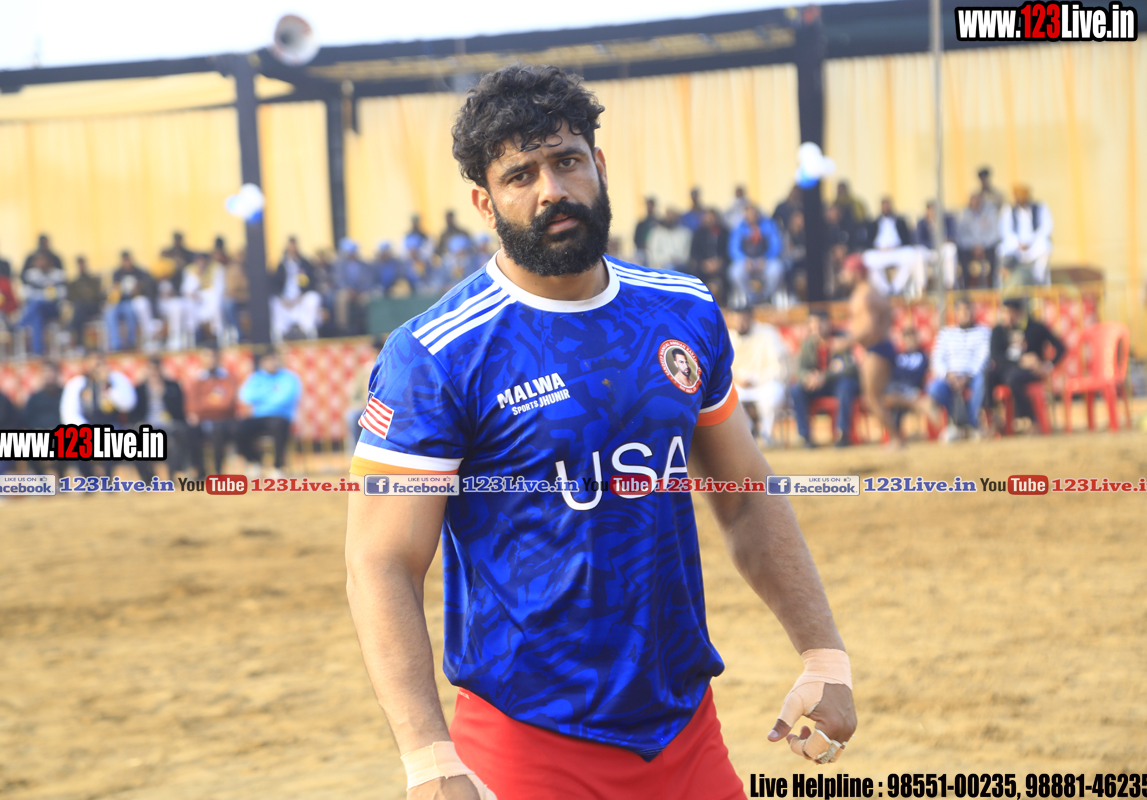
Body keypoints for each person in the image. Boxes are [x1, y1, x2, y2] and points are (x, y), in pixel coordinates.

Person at [346, 63, 855, 800]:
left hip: (685, 732)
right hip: (527, 746)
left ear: (600, 166)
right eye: (520, 175)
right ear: (485, 202)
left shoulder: (682, 311)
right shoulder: (434, 354)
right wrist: (427, 757)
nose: (551, 189)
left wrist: (823, 655)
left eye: (567, 161)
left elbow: (745, 496)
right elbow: (381, 562)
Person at [841, 255, 899, 446]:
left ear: (856, 273)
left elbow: (870, 328)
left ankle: (897, 438)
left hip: (877, 348)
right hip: (880, 346)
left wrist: (846, 342)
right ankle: (899, 435)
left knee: (872, 399)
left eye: (847, 271)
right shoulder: (871, 292)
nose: (843, 275)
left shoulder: (865, 295)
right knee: (877, 397)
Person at [986, 297, 1066, 433]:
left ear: (1020, 313)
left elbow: (1060, 347)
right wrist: (1020, 360)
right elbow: (995, 356)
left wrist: (1048, 366)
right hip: (1007, 369)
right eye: (1005, 312)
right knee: (989, 374)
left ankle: (1029, 420)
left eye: (1011, 313)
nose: (1008, 317)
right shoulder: (999, 330)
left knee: (1013, 378)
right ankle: (992, 418)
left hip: (1030, 372)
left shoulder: (1035, 328)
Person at [789, 311, 859, 447]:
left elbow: (849, 368)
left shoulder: (842, 339)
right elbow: (801, 370)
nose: (817, 327)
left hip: (838, 383)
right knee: (796, 390)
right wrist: (808, 377)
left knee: (846, 386)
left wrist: (824, 376)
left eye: (820, 323)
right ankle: (805, 437)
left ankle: (843, 434)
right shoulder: (808, 344)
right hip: (817, 386)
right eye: (812, 324)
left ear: (828, 323)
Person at [927, 297, 991, 442]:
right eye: (961, 310)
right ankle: (958, 422)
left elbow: (983, 357)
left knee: (981, 382)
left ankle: (972, 425)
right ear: (956, 312)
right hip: (950, 376)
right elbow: (936, 359)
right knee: (934, 388)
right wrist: (948, 375)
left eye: (968, 310)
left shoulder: (984, 332)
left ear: (974, 311)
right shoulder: (946, 333)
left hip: (973, 376)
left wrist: (967, 376)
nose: (965, 314)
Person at [237, 347, 301, 479]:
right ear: (262, 363)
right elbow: (245, 396)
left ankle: (278, 466)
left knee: (278, 426)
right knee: (238, 429)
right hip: (259, 417)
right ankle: (255, 461)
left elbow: (285, 398)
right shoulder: (256, 377)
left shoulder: (289, 377)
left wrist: (261, 398)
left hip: (281, 416)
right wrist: (271, 392)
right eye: (268, 360)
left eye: (274, 360)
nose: (272, 363)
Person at [729, 309, 789, 445]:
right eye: (737, 320)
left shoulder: (767, 333)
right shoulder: (728, 336)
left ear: (751, 318)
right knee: (727, 396)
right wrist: (737, 378)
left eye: (743, 319)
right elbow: (723, 367)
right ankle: (747, 435)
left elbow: (778, 367)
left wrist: (756, 379)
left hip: (763, 383)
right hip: (738, 384)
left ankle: (766, 434)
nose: (740, 324)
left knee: (774, 392)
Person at [132, 357, 190, 480]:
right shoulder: (139, 389)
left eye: (156, 369)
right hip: (147, 425)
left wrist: (164, 393)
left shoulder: (172, 386)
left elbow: (179, 412)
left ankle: (172, 475)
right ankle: (148, 478)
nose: (154, 373)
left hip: (169, 424)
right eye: (151, 369)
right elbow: (134, 414)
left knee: (177, 436)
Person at [187, 347, 238, 478]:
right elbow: (192, 405)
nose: (210, 360)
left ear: (218, 358)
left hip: (224, 421)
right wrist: (211, 403)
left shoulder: (227, 378)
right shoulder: (197, 379)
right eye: (207, 356)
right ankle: (200, 472)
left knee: (218, 429)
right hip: (202, 422)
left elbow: (226, 405)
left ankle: (218, 472)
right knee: (189, 431)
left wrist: (204, 405)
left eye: (213, 356)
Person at [861, 197, 923, 297]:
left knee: (912, 254)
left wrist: (896, 246)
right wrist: (879, 248)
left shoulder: (900, 221)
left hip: (897, 251)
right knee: (867, 258)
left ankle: (896, 287)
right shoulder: (874, 223)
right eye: (884, 205)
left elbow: (907, 239)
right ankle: (884, 289)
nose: (886, 207)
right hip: (880, 252)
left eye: (888, 205)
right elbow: (868, 242)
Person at [728, 205, 782, 308]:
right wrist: (744, 260)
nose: (751, 216)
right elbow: (733, 248)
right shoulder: (739, 227)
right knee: (735, 272)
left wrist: (766, 258)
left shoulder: (768, 225)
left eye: (753, 213)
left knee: (776, 269)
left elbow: (776, 245)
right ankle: (750, 298)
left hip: (765, 261)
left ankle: (765, 297)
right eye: (749, 213)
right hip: (746, 262)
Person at [998, 185, 1053, 286]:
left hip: (1033, 245)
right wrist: (1017, 243)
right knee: (1001, 249)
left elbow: (1045, 229)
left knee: (1045, 246)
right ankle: (1005, 284)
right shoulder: (1008, 210)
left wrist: (1030, 242)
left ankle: (1037, 279)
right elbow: (1005, 231)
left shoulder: (1040, 207)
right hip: (1016, 247)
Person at [883, 326, 933, 438]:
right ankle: (895, 434)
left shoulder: (923, 356)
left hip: (913, 388)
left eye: (912, 339)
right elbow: (894, 374)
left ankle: (895, 435)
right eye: (907, 339)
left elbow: (918, 374)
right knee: (890, 394)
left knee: (896, 401)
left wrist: (904, 373)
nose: (910, 342)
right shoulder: (899, 357)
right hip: (897, 387)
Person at [270, 237, 322, 341]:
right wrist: (283, 298)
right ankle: (279, 334)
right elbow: (275, 285)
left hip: (301, 299)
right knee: (273, 301)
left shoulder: (305, 264)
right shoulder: (281, 266)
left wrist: (301, 295)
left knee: (313, 298)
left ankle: (309, 331)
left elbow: (312, 283)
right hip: (285, 301)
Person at [19, 252, 68, 355]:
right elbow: (26, 293)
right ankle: (38, 350)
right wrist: (45, 294)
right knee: (37, 317)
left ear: (49, 262)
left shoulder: (58, 274)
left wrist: (41, 295)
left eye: (42, 260)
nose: (40, 263)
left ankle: (20, 324)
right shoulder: (30, 274)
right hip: (38, 309)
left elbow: (62, 293)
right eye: (38, 260)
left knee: (37, 305)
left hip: (53, 309)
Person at [21, 360, 64, 474]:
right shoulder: (35, 398)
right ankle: (42, 479)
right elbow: (27, 419)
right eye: (46, 372)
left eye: (51, 372)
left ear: (57, 374)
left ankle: (61, 478)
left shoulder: (65, 395)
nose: (49, 375)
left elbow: (70, 416)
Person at [104, 251, 151, 352]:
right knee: (110, 313)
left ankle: (131, 342)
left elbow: (145, 287)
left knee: (130, 312)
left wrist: (137, 289)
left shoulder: (139, 272)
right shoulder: (117, 273)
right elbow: (114, 290)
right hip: (118, 302)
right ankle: (116, 344)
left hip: (130, 301)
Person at [955, 193, 1001, 289]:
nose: (975, 204)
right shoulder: (964, 214)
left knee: (994, 254)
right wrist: (973, 246)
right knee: (961, 255)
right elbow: (961, 235)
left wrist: (982, 245)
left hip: (986, 246)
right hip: (970, 248)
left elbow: (995, 233)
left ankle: (993, 287)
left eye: (977, 202)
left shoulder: (990, 212)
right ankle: (965, 288)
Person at [915, 201, 957, 290]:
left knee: (951, 249)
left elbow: (952, 235)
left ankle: (949, 284)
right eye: (930, 210)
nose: (933, 213)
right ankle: (922, 286)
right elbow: (919, 240)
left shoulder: (947, 219)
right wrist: (935, 244)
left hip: (943, 249)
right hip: (930, 250)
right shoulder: (922, 223)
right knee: (919, 253)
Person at [689, 208, 729, 302]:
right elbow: (694, 252)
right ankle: (698, 300)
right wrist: (704, 263)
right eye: (708, 217)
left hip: (720, 264)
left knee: (728, 275)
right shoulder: (698, 233)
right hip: (704, 264)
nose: (710, 220)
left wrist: (720, 262)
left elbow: (728, 251)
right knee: (695, 274)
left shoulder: (724, 232)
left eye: (712, 217)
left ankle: (724, 302)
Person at [67, 256, 103, 353]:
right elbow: (70, 298)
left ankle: (70, 329)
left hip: (93, 307)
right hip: (80, 310)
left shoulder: (94, 280)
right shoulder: (74, 283)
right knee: (79, 314)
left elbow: (98, 296)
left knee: (79, 310)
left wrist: (86, 296)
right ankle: (80, 346)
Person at [646, 208, 692, 272]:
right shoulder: (657, 233)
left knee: (671, 267)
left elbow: (685, 256)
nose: (669, 219)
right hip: (660, 265)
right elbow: (653, 254)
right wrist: (667, 259)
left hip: (679, 266)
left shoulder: (685, 233)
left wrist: (674, 259)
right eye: (668, 216)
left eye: (672, 217)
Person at [632, 197, 658, 266]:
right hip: (642, 250)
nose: (649, 207)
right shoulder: (641, 224)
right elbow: (636, 239)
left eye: (651, 205)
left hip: (655, 250)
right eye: (648, 205)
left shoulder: (658, 223)